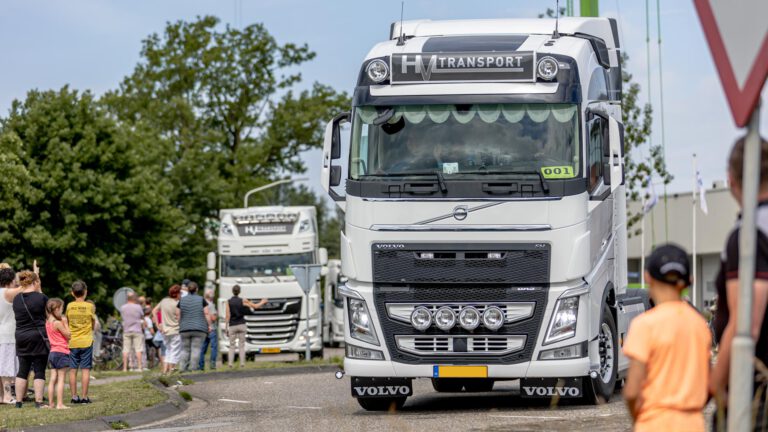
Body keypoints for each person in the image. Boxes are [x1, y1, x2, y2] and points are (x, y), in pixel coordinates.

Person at [710, 136, 768, 431]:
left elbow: (747, 322)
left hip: (754, 390)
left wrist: (716, 384)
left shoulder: (748, 236)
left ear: (731, 179)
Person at [622, 244, 711, 431]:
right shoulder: (700, 325)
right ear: (688, 281)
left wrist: (640, 418)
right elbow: (708, 383)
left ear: (647, 277)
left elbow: (631, 391)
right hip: (692, 423)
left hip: (653, 422)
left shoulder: (644, 324)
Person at [13, 270, 48, 409]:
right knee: (39, 369)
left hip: (21, 336)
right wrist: (40, 291)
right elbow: (49, 314)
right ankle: (39, 402)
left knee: (23, 369)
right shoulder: (41, 298)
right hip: (38, 336)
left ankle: (18, 402)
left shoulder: (16, 298)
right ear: (35, 282)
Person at [66, 280, 95, 404]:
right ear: (85, 292)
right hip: (86, 341)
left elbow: (67, 322)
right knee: (85, 370)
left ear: (72, 293)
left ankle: (74, 397)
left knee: (72, 370)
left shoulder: (69, 306)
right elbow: (93, 323)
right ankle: (84, 397)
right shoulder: (90, 306)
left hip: (73, 341)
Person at [226, 285, 267, 368]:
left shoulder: (228, 301)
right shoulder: (243, 301)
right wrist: (263, 301)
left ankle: (230, 363)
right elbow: (255, 306)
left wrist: (226, 326)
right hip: (241, 324)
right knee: (241, 345)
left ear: (232, 291)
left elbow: (227, 315)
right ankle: (242, 363)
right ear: (239, 291)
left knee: (232, 345)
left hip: (232, 325)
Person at [176, 282, 210, 371]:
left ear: (187, 289)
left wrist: (181, 324)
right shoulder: (201, 299)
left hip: (184, 329)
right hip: (199, 328)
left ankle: (182, 368)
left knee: (184, 349)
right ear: (197, 289)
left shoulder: (181, 300)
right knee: (196, 349)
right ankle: (193, 368)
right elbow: (206, 313)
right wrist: (209, 325)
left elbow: (178, 314)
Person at [0, 265, 21, 405]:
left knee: (1, 366)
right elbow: (24, 288)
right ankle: (7, 396)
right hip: (7, 334)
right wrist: (35, 275)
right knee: (6, 367)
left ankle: (1, 396)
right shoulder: (7, 292)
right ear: (10, 280)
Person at [45, 298, 70, 409]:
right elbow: (68, 335)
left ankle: (51, 404)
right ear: (56, 309)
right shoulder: (58, 323)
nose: (62, 311)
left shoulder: (48, 322)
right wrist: (65, 323)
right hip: (61, 352)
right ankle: (60, 404)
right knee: (61, 379)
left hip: (52, 353)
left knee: (52, 379)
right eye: (61, 309)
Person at [153, 285, 181, 374]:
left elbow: (154, 311)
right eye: (180, 293)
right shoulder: (178, 304)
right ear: (177, 294)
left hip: (164, 331)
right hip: (175, 330)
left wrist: (158, 325)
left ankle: (165, 370)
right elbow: (179, 317)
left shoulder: (164, 301)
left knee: (168, 350)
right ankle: (171, 372)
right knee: (175, 352)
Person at [120, 291, 145, 372]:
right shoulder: (138, 307)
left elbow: (123, 317)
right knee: (138, 349)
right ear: (134, 298)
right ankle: (139, 367)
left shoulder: (123, 307)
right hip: (137, 330)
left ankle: (124, 368)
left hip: (126, 330)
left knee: (125, 349)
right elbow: (142, 317)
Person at [198, 288, 218, 370]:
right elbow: (213, 318)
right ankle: (212, 364)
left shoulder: (200, 303)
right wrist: (217, 314)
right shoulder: (210, 304)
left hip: (202, 328)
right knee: (213, 347)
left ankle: (201, 366)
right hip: (211, 328)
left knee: (202, 348)